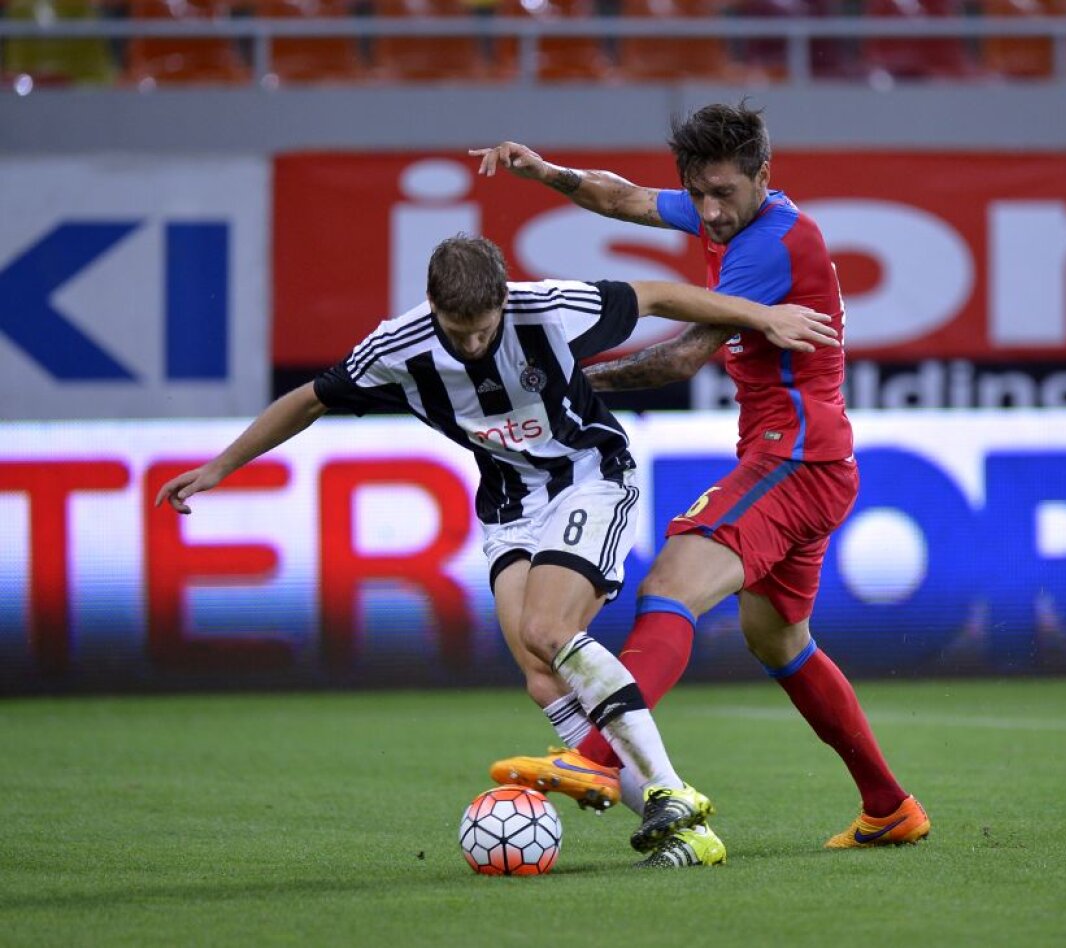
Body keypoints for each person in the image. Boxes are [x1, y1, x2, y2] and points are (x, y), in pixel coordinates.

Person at [155, 234, 839, 868]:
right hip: (512, 505)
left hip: (590, 477)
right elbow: (308, 400)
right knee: (539, 671)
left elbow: (657, 295)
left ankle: (668, 791)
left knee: (549, 629)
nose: (475, 342)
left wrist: (759, 315)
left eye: (484, 328)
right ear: (434, 309)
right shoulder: (397, 346)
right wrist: (221, 466)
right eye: (460, 332)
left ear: (503, 298)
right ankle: (689, 832)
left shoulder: (547, 309)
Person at [471, 103, 931, 852]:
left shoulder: (772, 247)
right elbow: (622, 197)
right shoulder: (733, 213)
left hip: (793, 458)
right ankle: (888, 807)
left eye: (723, 194)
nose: (710, 212)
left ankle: (592, 761)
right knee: (780, 643)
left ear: (763, 177)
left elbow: (681, 357)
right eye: (699, 194)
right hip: (808, 458)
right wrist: (547, 172)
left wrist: (556, 384)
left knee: (670, 588)